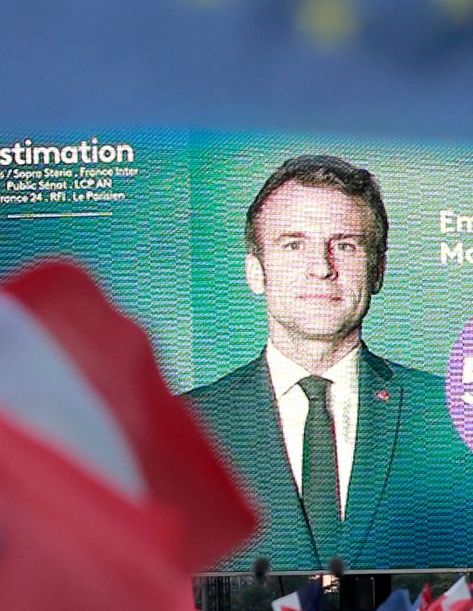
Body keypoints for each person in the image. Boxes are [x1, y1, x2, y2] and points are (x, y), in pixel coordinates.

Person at [184, 155, 448, 570]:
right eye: (293, 244)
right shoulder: (180, 429)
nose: (322, 267)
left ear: (377, 271)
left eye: (345, 245)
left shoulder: (452, 418)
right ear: (256, 272)